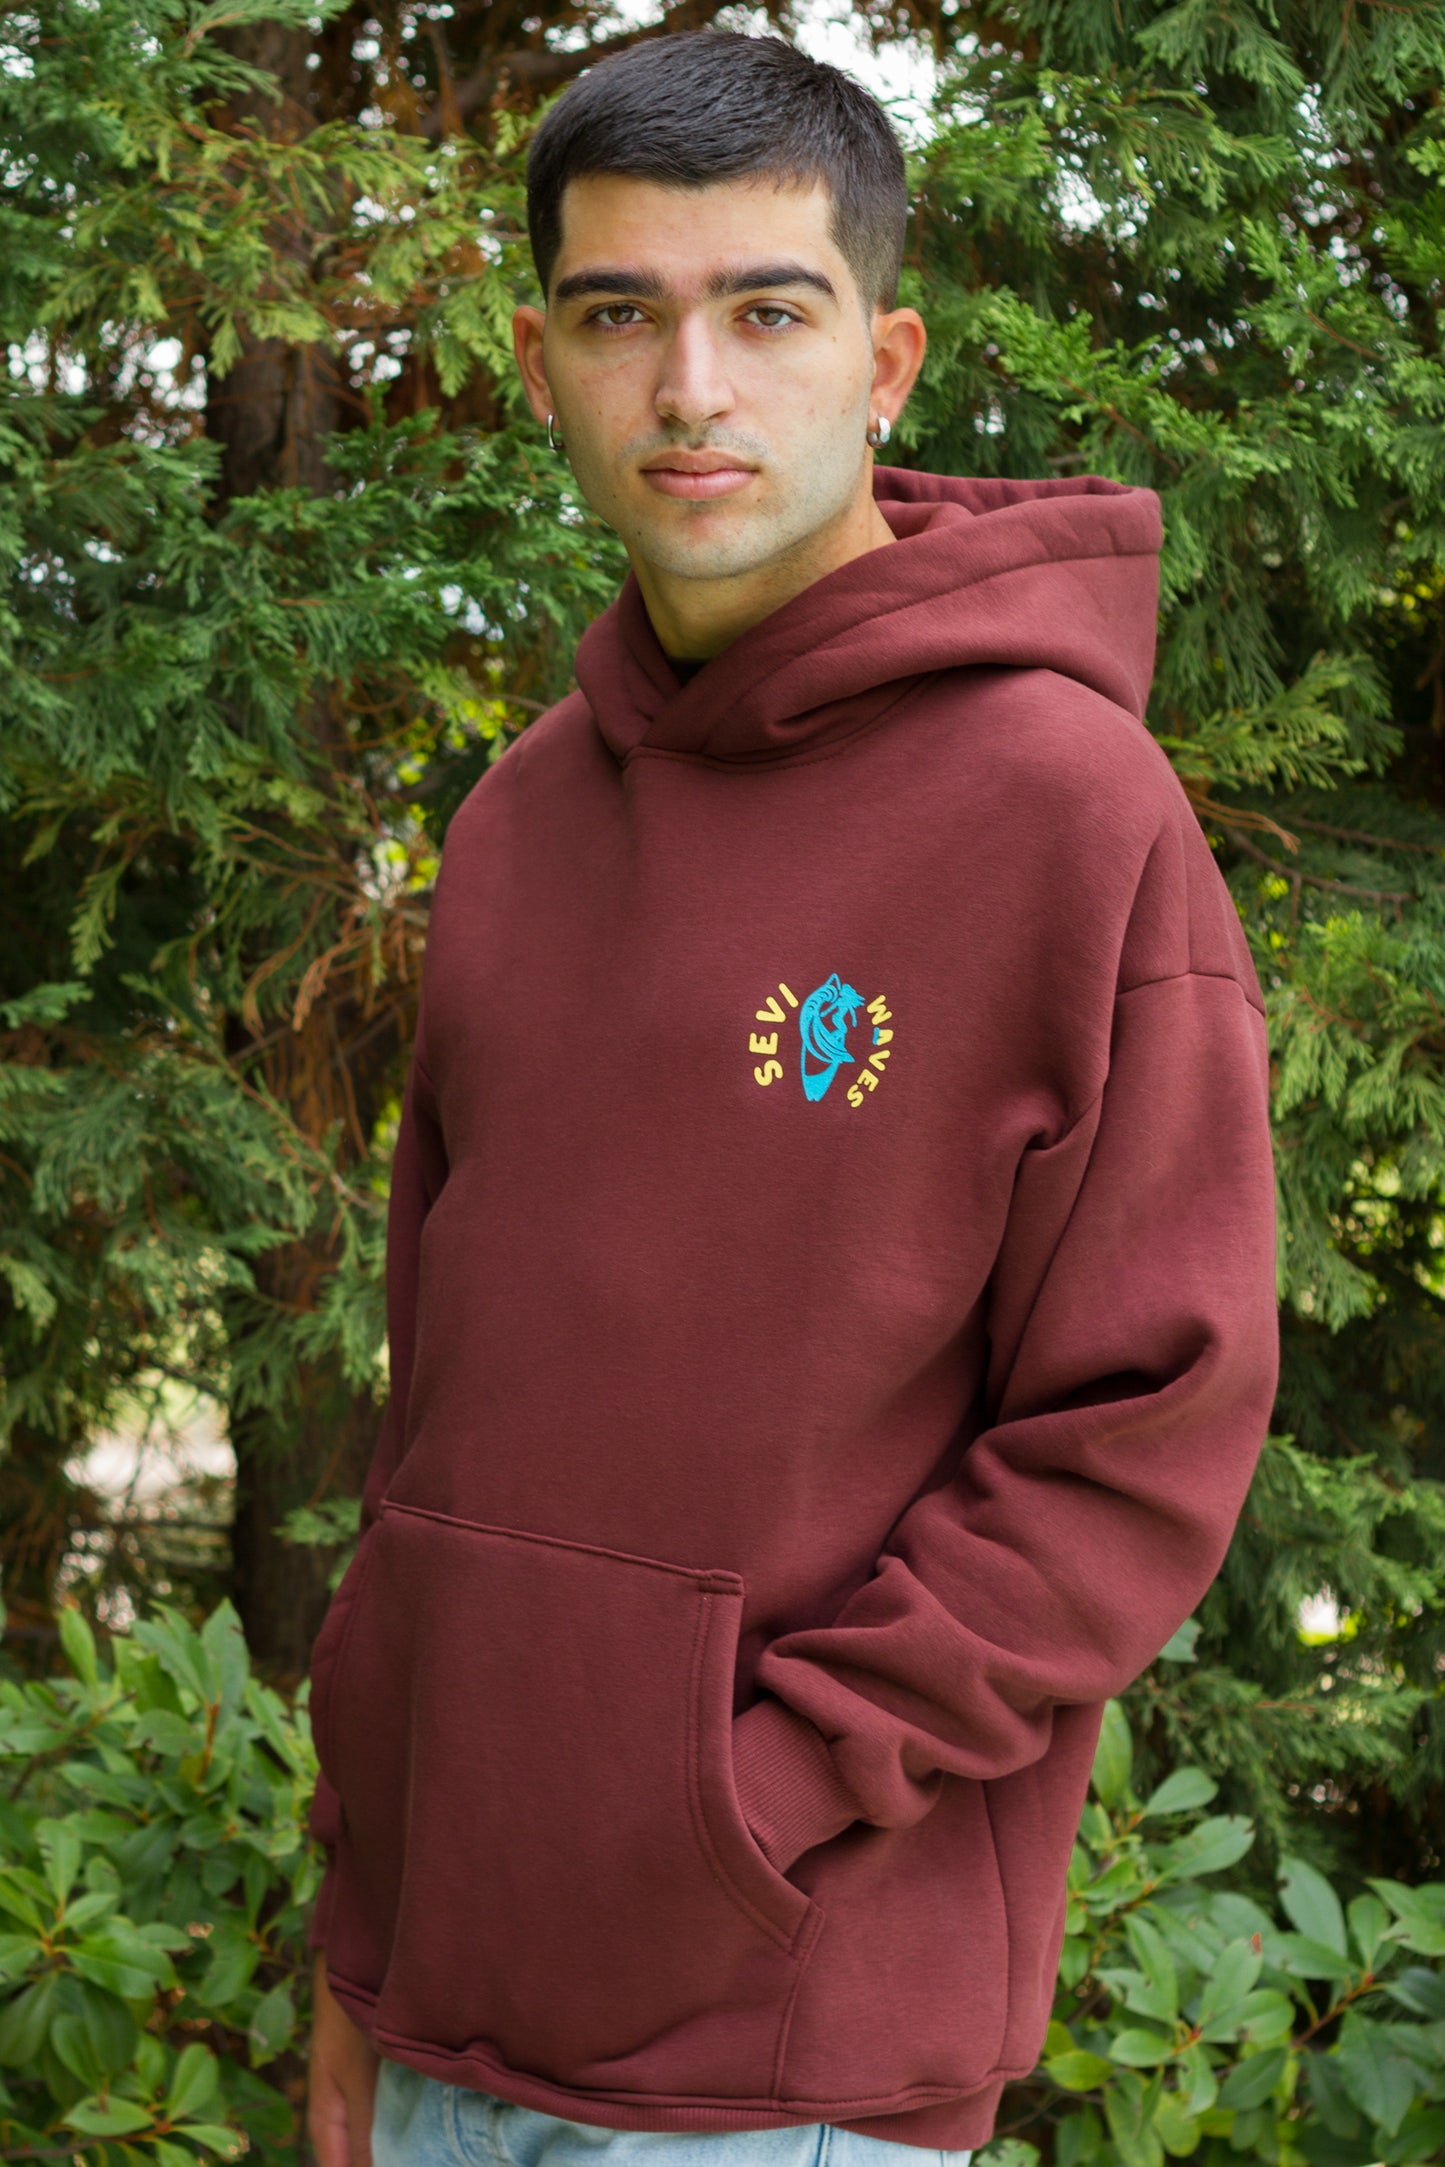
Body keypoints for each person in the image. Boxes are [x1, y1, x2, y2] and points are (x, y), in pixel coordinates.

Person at [304, 28, 1280, 2167]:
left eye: (767, 309)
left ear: (888, 357)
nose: (691, 387)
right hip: (446, 2022)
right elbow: (436, 1419)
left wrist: (749, 1798)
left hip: (790, 2054)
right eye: (616, 314)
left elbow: (1145, 1427)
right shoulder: (523, 820)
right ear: (544, 358)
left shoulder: (1064, 812)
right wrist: (360, 1946)